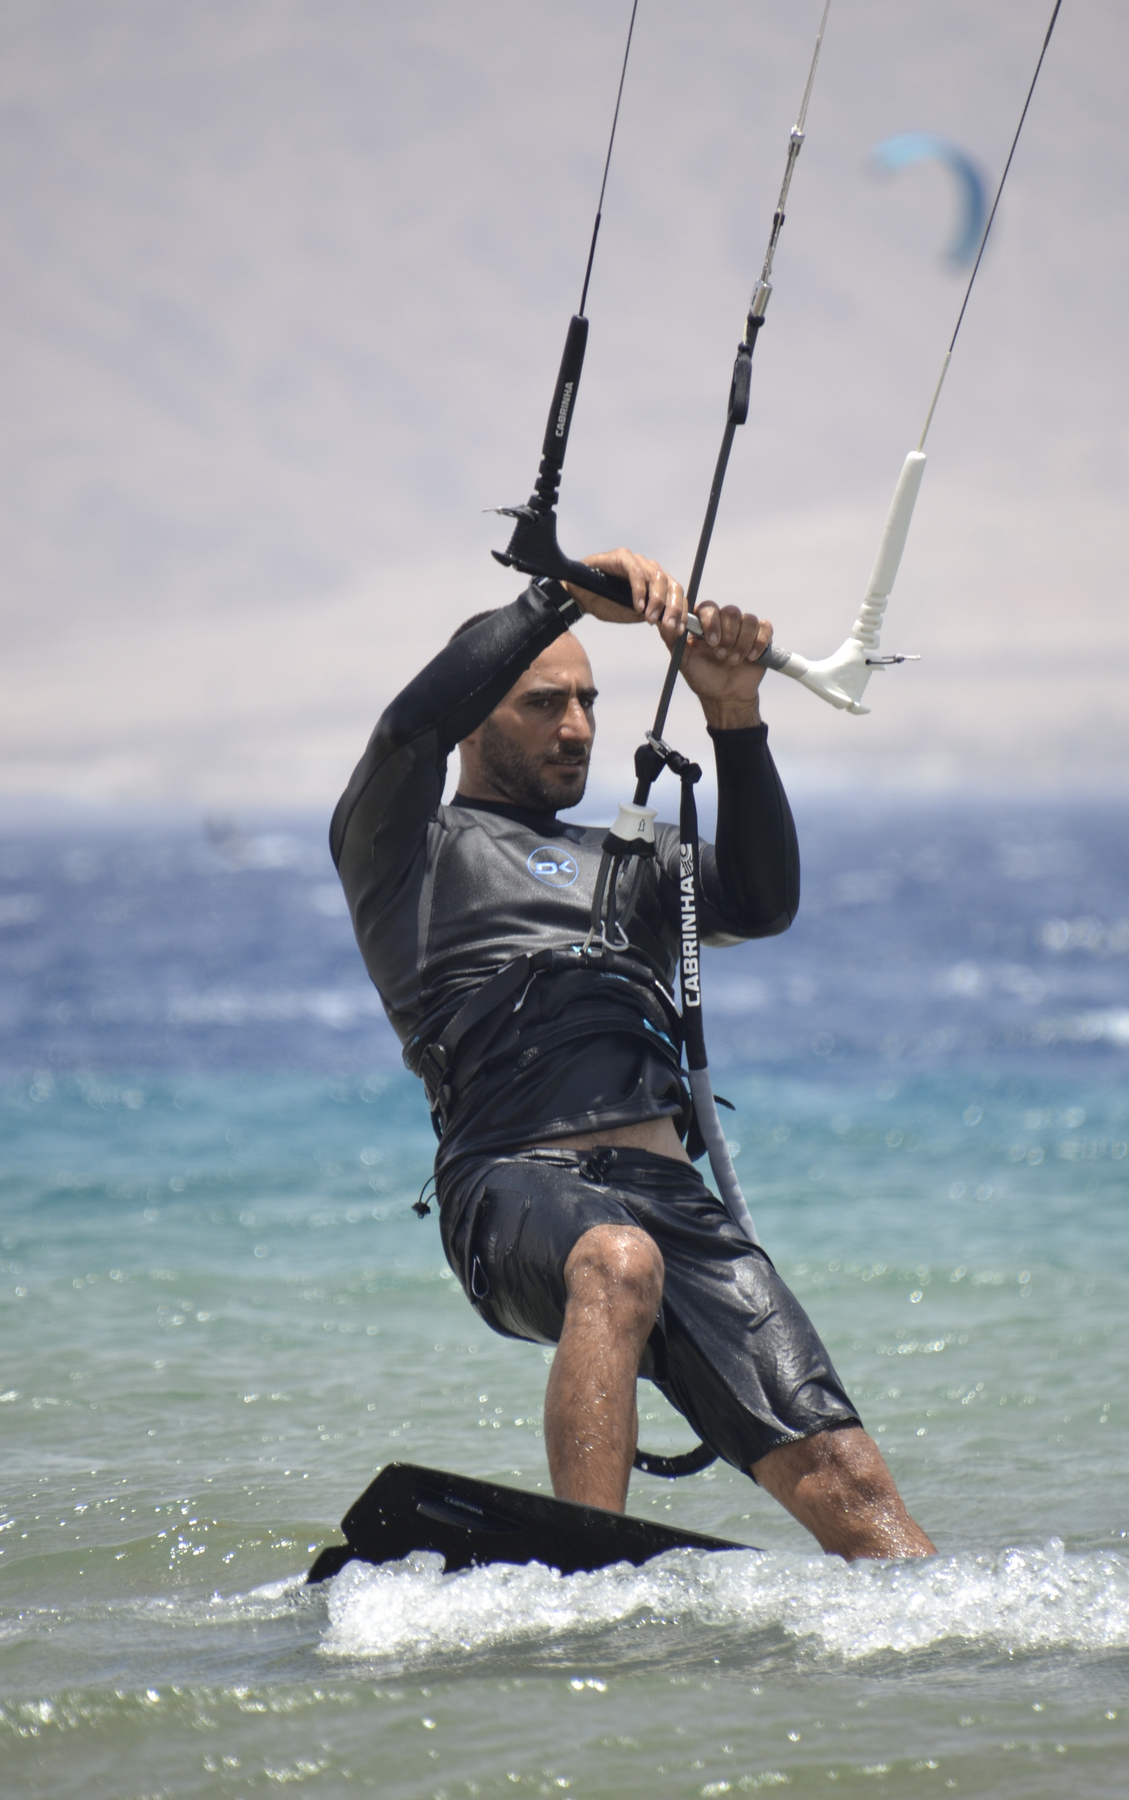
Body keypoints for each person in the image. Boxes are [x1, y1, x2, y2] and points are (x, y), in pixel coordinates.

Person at [331, 548, 934, 1560]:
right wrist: (558, 596)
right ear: (477, 716)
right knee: (617, 1260)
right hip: (512, 1182)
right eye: (543, 703)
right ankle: (591, 1572)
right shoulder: (406, 857)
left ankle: (933, 1632)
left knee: (853, 1480)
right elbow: (406, 730)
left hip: (669, 1199)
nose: (576, 726)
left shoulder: (633, 865)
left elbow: (762, 902)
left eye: (588, 702)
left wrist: (734, 715)